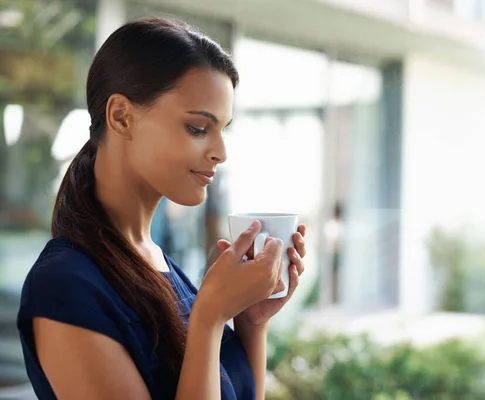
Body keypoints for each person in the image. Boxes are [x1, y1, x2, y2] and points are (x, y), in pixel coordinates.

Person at [16, 17, 307, 400]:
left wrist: (251, 320)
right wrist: (209, 317)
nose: (220, 152)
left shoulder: (158, 265)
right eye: (198, 128)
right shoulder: (67, 286)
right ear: (121, 116)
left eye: (224, 130)